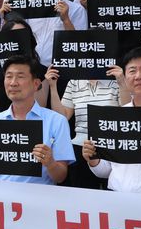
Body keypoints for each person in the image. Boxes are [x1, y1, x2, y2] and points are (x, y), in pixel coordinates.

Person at [0, 55, 74, 185]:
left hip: (38, 194)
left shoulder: (56, 121)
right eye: (9, 76)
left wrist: (50, 163)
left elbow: (60, 177)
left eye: (20, 77)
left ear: (36, 84)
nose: (13, 83)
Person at [82, 46, 141, 195]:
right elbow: (105, 171)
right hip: (117, 200)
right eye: (132, 71)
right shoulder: (116, 116)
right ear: (125, 79)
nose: (138, 76)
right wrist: (93, 159)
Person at [46, 61, 129, 189]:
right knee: (82, 195)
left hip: (111, 146)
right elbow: (62, 117)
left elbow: (128, 113)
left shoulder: (116, 78)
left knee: (113, 192)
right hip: (81, 146)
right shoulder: (74, 82)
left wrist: (122, 82)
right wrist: (52, 86)